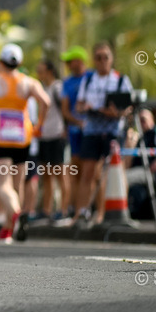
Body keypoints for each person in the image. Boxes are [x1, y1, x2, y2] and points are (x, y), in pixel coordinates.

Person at [0, 44, 50, 243]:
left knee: (2, 184)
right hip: (22, 137)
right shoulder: (29, 82)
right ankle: (9, 228)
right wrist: (39, 125)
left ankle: (16, 213)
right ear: (20, 63)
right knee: (18, 185)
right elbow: (46, 102)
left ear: (1, 62)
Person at [72, 41, 133, 228]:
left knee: (111, 172)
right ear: (94, 59)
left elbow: (129, 108)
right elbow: (78, 106)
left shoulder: (121, 80)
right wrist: (88, 108)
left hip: (113, 131)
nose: (102, 61)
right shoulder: (88, 80)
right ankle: (80, 214)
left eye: (105, 57)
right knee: (88, 173)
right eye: (98, 58)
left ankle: (103, 214)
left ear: (111, 58)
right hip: (91, 131)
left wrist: (116, 112)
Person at [56, 46, 90, 224]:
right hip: (75, 134)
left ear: (79, 61)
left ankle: (90, 210)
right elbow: (65, 110)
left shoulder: (91, 77)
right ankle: (75, 211)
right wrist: (79, 123)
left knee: (91, 173)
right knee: (75, 172)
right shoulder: (67, 82)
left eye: (70, 61)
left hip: (92, 134)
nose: (68, 64)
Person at [34, 61, 68, 223]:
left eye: (41, 70)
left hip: (57, 135)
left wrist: (65, 129)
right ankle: (46, 210)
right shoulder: (43, 89)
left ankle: (64, 209)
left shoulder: (57, 87)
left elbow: (65, 109)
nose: (38, 74)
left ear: (49, 71)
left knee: (60, 174)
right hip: (44, 136)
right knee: (46, 175)